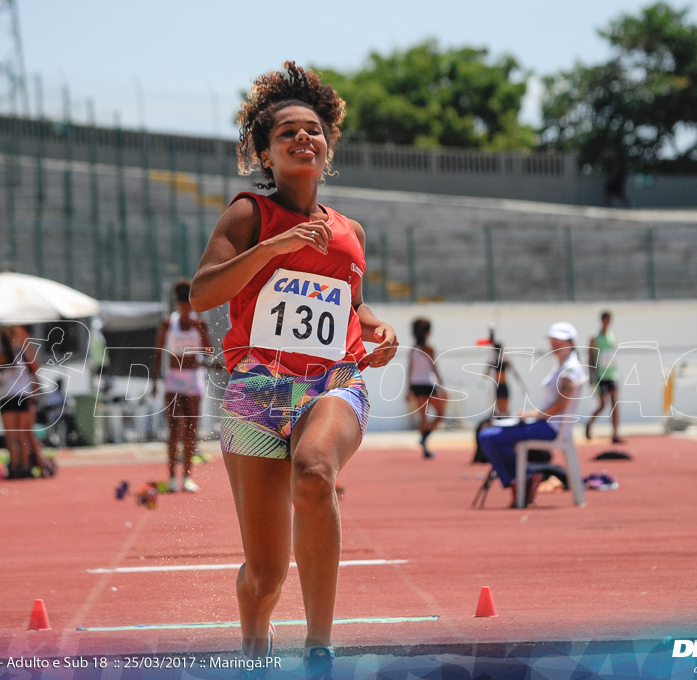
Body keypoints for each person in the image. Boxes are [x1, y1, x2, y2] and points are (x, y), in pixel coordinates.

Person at [189, 62, 397, 678]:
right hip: (256, 390)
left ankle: (320, 649)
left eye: (313, 130)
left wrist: (377, 331)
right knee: (265, 574)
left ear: (328, 145)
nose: (304, 139)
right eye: (287, 134)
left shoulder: (350, 231)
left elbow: (351, 307)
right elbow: (203, 295)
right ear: (264, 153)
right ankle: (255, 648)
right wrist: (274, 248)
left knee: (314, 474)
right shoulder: (248, 214)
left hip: (333, 380)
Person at [477, 322, 587, 508]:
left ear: (571, 342)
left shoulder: (570, 368)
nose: (555, 344)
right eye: (553, 340)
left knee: (488, 436)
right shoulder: (564, 365)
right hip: (546, 424)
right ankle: (521, 479)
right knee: (494, 433)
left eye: (559, 341)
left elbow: (560, 404)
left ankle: (521, 479)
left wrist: (532, 415)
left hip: (549, 427)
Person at [152, 277, 214, 493]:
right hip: (174, 378)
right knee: (174, 429)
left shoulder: (199, 324)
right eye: (182, 304)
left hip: (193, 379)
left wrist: (203, 331)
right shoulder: (169, 324)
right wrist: (153, 382)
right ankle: (171, 477)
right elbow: (159, 354)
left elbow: (209, 352)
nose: (185, 308)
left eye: (188, 304)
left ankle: (187, 477)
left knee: (191, 430)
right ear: (178, 304)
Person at [0, 325, 54, 479]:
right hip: (19, 396)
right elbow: (35, 367)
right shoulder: (16, 356)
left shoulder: (8, 355)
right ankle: (23, 466)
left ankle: (17, 466)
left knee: (14, 435)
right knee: (19, 435)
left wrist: (0, 386)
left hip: (9, 396)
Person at [407, 317, 444, 459]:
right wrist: (441, 383)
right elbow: (434, 367)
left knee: (423, 417)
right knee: (440, 413)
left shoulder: (413, 350)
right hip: (428, 383)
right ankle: (425, 438)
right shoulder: (429, 348)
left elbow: (410, 369)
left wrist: (408, 389)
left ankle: (425, 447)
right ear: (427, 333)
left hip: (416, 384)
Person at [585, 310, 624, 444]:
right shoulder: (595, 336)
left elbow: (611, 355)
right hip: (600, 375)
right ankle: (589, 423)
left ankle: (615, 434)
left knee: (614, 403)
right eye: (605, 320)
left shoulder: (612, 336)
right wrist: (591, 375)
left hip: (611, 374)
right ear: (602, 320)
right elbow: (591, 356)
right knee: (602, 404)